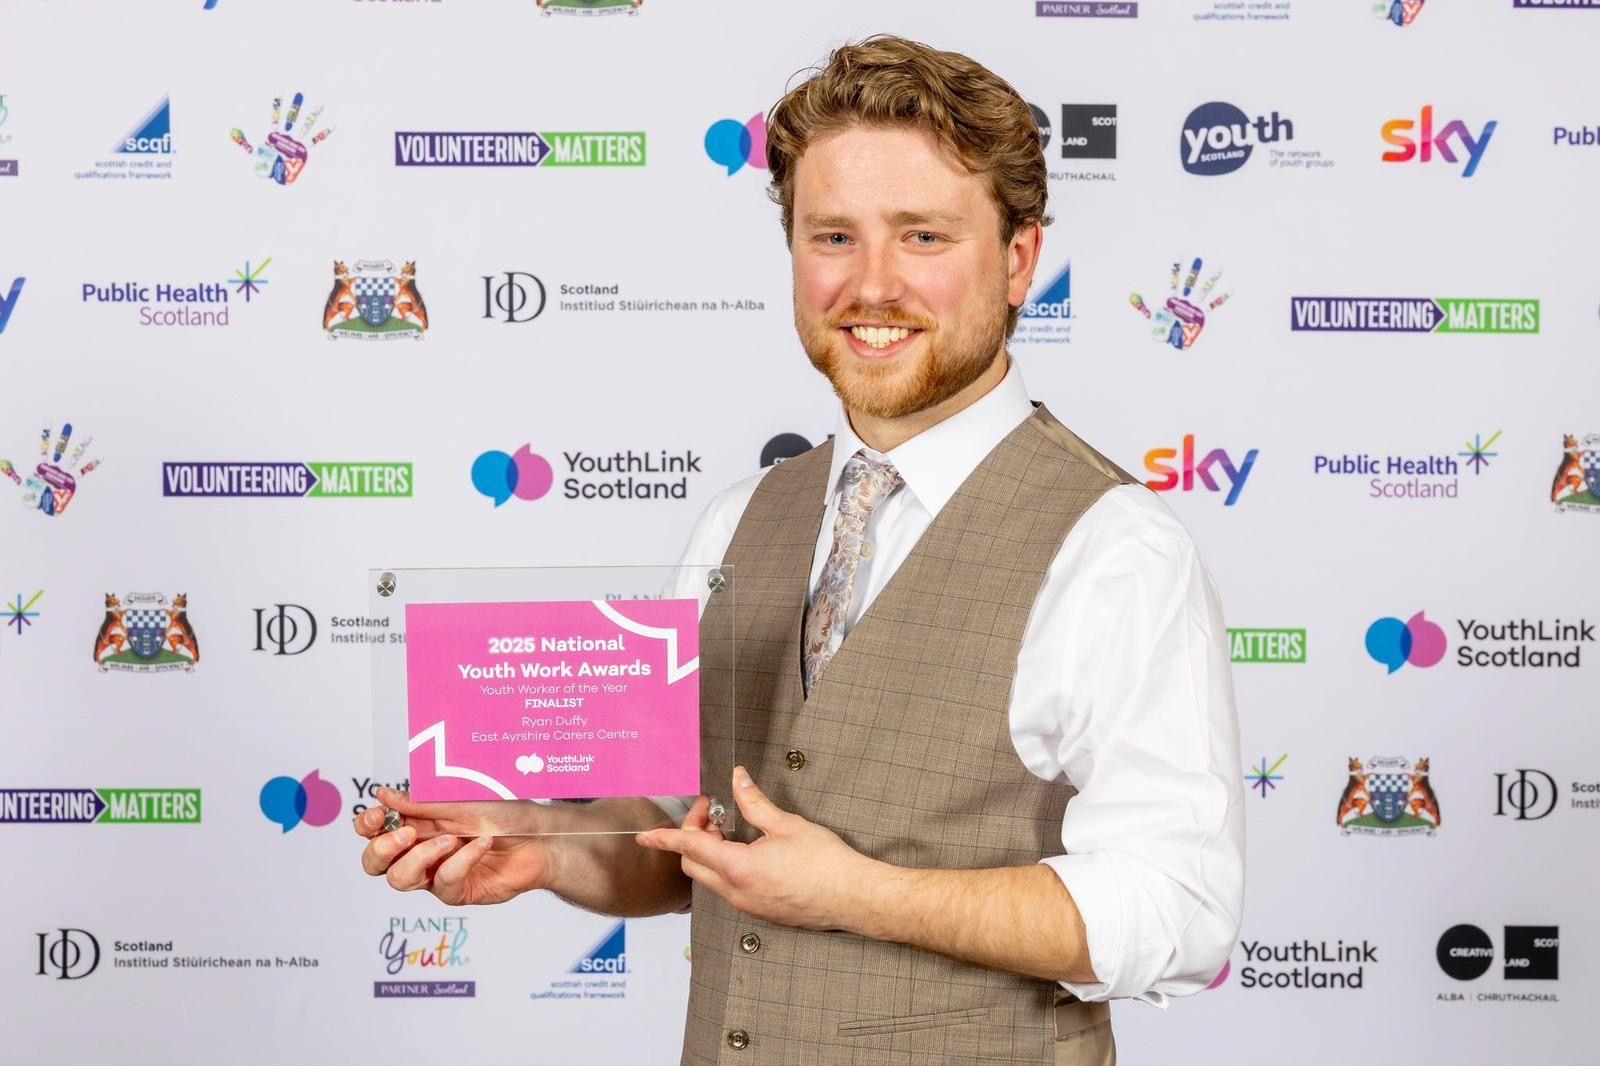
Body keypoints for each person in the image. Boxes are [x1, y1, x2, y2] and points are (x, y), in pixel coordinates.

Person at [356, 35, 1244, 1065]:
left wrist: (856, 892)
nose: (872, 285)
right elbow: (675, 833)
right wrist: (546, 844)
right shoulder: (742, 520)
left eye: (923, 236)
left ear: (1018, 260)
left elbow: (1177, 911)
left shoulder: (1114, 547)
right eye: (832, 236)